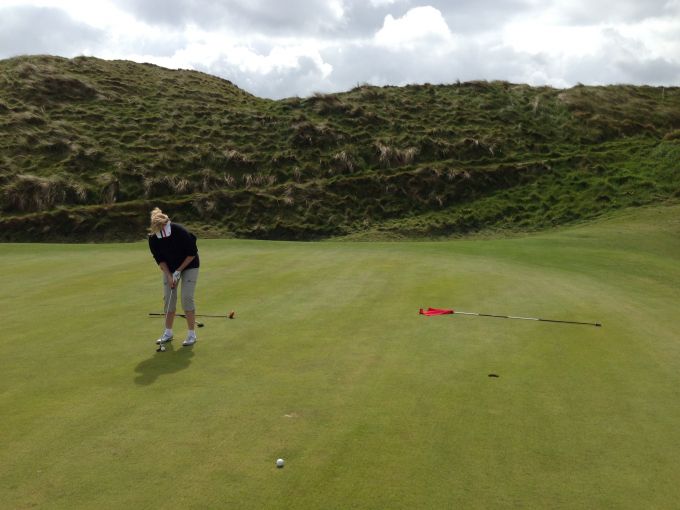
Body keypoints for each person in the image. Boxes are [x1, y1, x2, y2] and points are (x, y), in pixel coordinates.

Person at [148, 207, 200, 347]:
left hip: (190, 264)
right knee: (169, 299)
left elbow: (192, 253)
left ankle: (191, 334)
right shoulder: (153, 238)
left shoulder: (179, 231)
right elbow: (160, 259)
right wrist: (169, 276)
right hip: (169, 268)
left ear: (165, 224)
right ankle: (168, 332)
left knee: (186, 297)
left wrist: (179, 270)